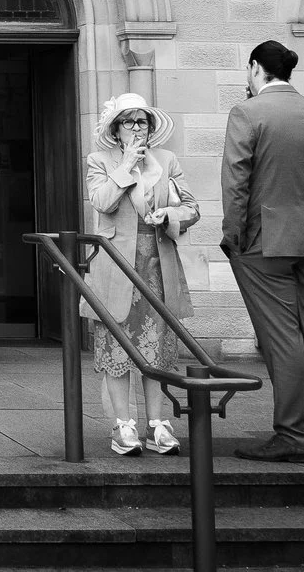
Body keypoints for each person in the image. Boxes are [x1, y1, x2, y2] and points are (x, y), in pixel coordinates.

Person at [223, 40, 304, 463]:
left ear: (255, 68)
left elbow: (237, 181)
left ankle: (292, 435)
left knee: (281, 339)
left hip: (264, 240)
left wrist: (232, 235)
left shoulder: (248, 112)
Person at [84, 93, 200, 456]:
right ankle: (123, 425)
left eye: (143, 122)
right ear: (116, 131)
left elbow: (192, 207)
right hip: (117, 265)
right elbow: (102, 202)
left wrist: (170, 216)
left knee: (158, 350)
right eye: (130, 122)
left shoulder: (167, 160)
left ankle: (156, 424)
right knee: (117, 346)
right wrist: (126, 167)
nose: (138, 129)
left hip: (157, 265)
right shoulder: (99, 160)